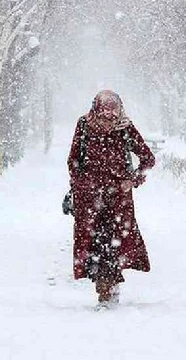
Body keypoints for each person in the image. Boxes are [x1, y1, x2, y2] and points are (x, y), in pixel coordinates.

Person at [67, 90, 155, 307]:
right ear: (95, 111)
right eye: (104, 117)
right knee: (93, 244)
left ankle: (108, 290)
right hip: (89, 199)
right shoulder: (84, 125)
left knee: (113, 244)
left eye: (112, 118)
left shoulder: (125, 128)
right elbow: (73, 160)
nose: (108, 122)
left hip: (118, 201)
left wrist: (133, 180)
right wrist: (80, 184)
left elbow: (148, 158)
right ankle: (104, 287)